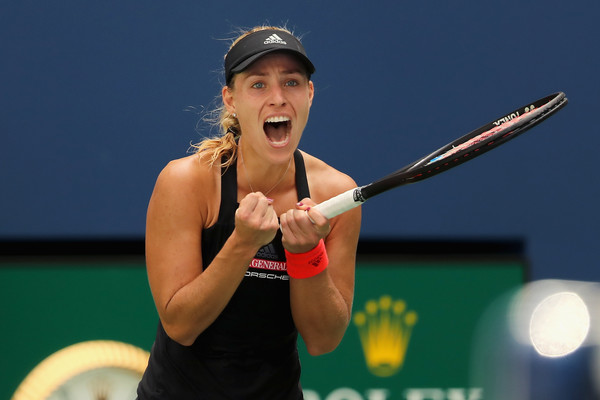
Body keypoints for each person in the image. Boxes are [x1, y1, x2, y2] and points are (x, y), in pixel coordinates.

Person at [136, 26, 361, 399]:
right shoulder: (185, 182)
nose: (277, 98)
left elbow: (323, 340)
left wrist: (307, 254)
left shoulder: (334, 193)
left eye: (291, 83)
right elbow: (180, 324)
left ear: (309, 94)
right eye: (258, 85)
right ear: (230, 99)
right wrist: (242, 244)